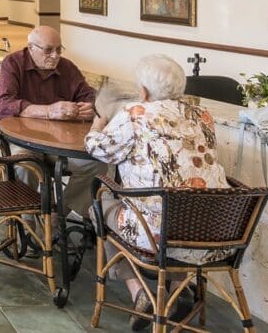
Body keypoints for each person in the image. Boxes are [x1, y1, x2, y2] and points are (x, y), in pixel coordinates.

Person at [85, 54, 230, 329]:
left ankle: (140, 292)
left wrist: (99, 121)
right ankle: (176, 288)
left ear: (143, 90)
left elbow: (97, 149)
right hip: (214, 228)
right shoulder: (203, 115)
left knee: (99, 206)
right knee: (182, 205)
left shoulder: (134, 114)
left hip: (155, 234)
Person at [0, 25, 102, 218]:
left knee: (95, 165)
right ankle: (27, 225)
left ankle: (59, 215)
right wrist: (49, 111)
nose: (55, 55)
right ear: (31, 48)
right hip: (23, 139)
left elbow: (90, 97)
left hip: (59, 143)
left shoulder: (67, 68)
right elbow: (4, 105)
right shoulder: (13, 64)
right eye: (48, 50)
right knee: (25, 165)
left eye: (59, 49)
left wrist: (90, 108)